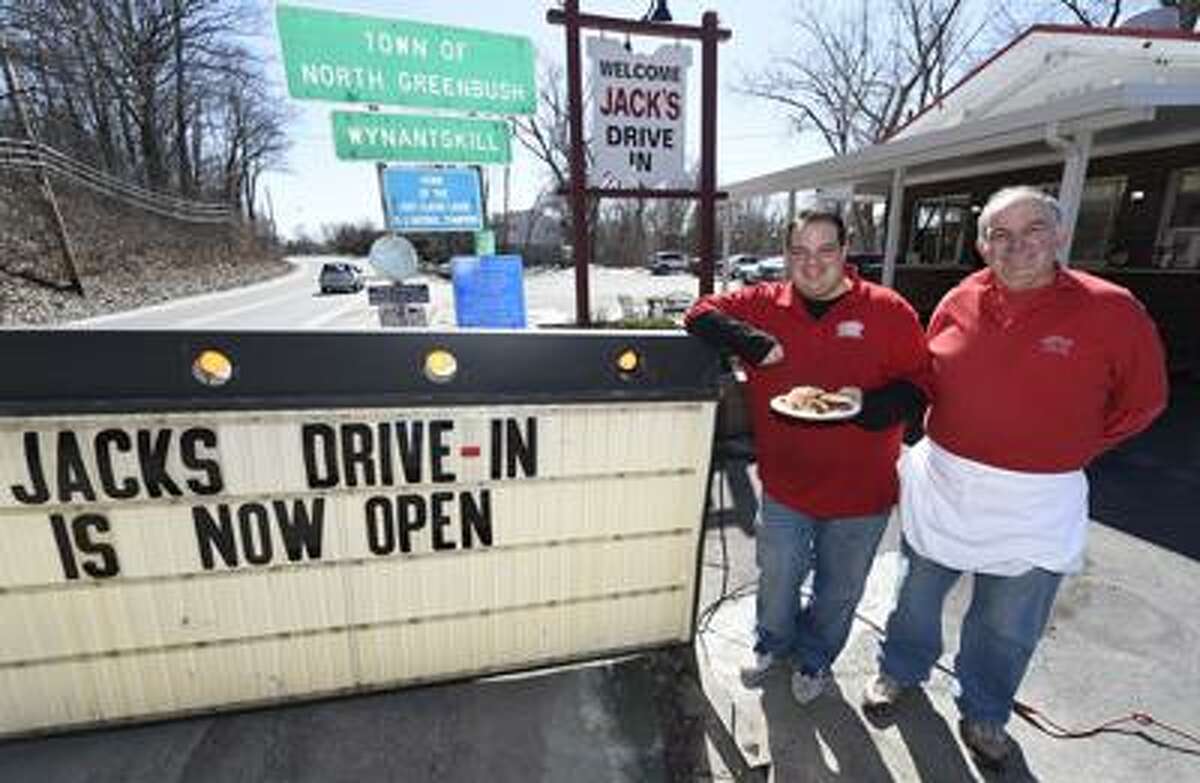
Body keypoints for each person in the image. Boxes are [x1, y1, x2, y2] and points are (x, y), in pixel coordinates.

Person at [861, 186, 1168, 769]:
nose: (1017, 245)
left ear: (1059, 236)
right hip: (946, 482)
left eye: (1032, 231)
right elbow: (930, 372)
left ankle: (984, 709)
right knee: (915, 595)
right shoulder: (959, 297)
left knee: (1007, 623)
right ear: (982, 246)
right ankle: (898, 670)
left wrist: (1073, 445)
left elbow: (1144, 401)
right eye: (1000, 234)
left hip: (1036, 501)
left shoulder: (1112, 309)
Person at [685, 210, 928, 705]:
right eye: (799, 252)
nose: (812, 264)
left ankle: (816, 659)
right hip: (785, 485)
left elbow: (920, 388)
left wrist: (865, 406)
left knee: (839, 591)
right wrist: (751, 343)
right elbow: (699, 313)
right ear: (786, 255)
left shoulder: (888, 310)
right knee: (777, 577)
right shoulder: (765, 303)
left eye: (825, 251)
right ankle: (771, 644)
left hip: (861, 490)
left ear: (846, 251)